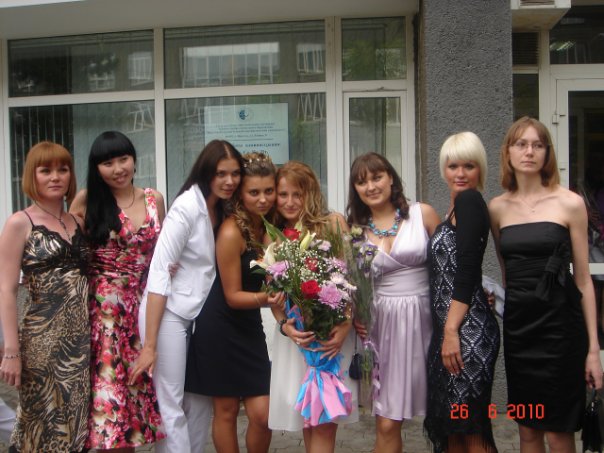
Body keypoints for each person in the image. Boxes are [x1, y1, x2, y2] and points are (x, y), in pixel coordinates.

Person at [489, 117, 603, 451]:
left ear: (547, 153)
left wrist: (593, 350)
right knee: (527, 430)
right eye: (521, 144)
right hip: (520, 331)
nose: (529, 151)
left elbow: (583, 280)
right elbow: (508, 275)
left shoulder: (570, 203)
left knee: (558, 432)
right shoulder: (497, 208)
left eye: (538, 145)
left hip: (560, 330)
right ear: (508, 152)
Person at [130, 140, 243, 453]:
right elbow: (159, 272)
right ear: (206, 172)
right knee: (171, 402)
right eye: (221, 173)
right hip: (168, 313)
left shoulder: (222, 207)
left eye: (235, 173)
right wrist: (150, 345)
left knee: (201, 401)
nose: (229, 181)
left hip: (199, 316)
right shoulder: (186, 207)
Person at [69, 131, 166, 451]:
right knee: (111, 402)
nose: (118, 168)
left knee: (135, 403)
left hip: (146, 307)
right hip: (104, 314)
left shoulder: (154, 199)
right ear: (96, 168)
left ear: (134, 160)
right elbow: (71, 253)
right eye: (107, 163)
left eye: (123, 159)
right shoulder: (87, 200)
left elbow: (163, 255)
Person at [185, 152, 282, 453]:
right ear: (240, 194)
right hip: (220, 326)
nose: (263, 199)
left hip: (249, 325)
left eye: (269, 190)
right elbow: (232, 296)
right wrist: (270, 298)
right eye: (254, 192)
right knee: (226, 411)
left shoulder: (267, 225)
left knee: (263, 414)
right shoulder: (230, 231)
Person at [0, 141, 90, 452]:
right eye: (45, 170)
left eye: (63, 169)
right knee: (39, 425)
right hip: (41, 343)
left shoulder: (78, 222)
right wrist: (11, 351)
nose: (55, 177)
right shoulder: (19, 223)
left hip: (79, 342)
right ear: (32, 176)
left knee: (74, 425)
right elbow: (6, 289)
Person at [347, 152, 439, 453]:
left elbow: (449, 267)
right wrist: (356, 314)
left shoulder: (423, 214)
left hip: (426, 321)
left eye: (377, 177)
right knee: (386, 421)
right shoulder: (355, 230)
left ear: (391, 179)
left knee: (445, 414)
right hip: (382, 327)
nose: (371, 186)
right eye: (362, 182)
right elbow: (351, 282)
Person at [268, 161, 358, 453]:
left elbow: (351, 279)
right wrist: (285, 325)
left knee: (324, 420)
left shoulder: (332, 223)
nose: (290, 202)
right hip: (299, 339)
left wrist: (346, 324)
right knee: (310, 419)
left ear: (311, 194)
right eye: (283, 195)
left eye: (298, 194)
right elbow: (272, 293)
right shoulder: (275, 235)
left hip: (330, 335)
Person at [423, 132, 500, 453]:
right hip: (453, 331)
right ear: (444, 169)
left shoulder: (469, 201)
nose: (460, 173)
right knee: (454, 429)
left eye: (469, 166)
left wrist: (451, 331)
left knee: (469, 430)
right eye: (453, 166)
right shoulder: (455, 209)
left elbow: (467, 269)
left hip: (466, 334)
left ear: (480, 169)